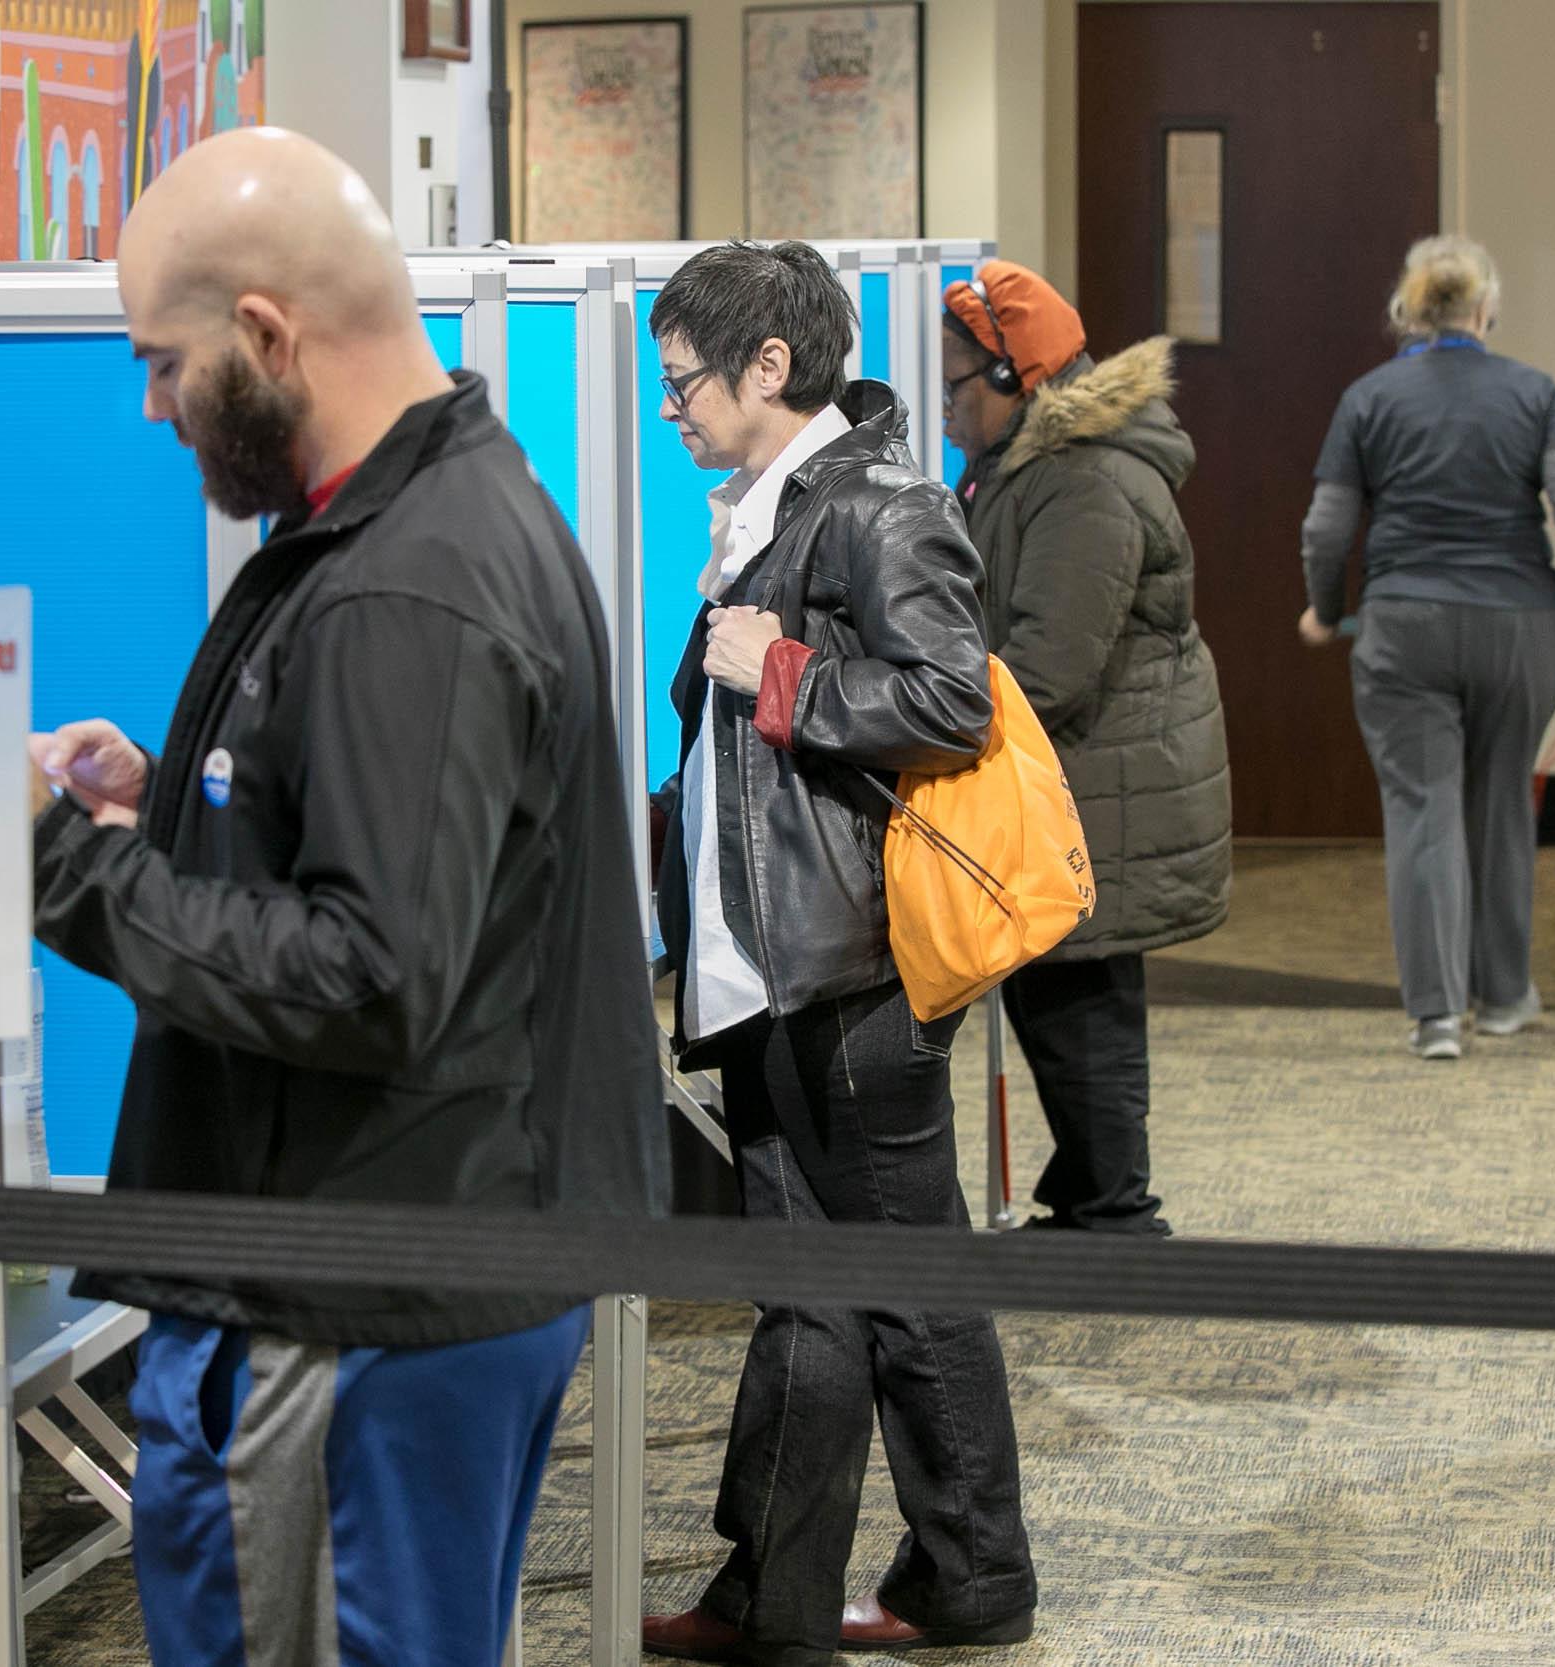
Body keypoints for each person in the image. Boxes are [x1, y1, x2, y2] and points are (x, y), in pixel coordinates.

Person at [28, 129, 668, 1667]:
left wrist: (53, 864)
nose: (153, 406)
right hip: (414, 1262)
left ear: (263, 332)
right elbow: (409, 874)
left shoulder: (408, 580)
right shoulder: (439, 518)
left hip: (353, 1294)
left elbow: (372, 970)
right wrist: (166, 808)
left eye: (164, 363)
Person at [636, 241, 1037, 1665]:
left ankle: (955, 1573)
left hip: (848, 974)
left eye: (683, 380)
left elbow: (951, 699)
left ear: (769, 367)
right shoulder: (773, 505)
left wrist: (784, 672)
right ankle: (791, 1595)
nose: (667, 408)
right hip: (777, 970)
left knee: (895, 1287)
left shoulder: (878, 507)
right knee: (829, 1289)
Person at [938, 260, 1231, 1236]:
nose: (943, 406)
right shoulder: (1035, 468)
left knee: (1081, 1004)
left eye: (954, 384)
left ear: (1018, 381)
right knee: (1063, 999)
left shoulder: (1085, 481)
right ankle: (1093, 1198)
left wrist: (921, 712)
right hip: (1085, 777)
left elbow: (1050, 663)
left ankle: (1115, 1216)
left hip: (1105, 783)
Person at [1297, 235, 1555, 1061]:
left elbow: (1327, 526)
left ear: (1410, 313)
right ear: (1486, 312)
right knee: (1502, 802)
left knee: (1423, 809)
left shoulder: (1368, 398)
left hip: (1405, 627)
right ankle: (1507, 994)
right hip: (1520, 625)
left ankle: (1438, 1014)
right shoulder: (1536, 393)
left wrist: (1323, 609)